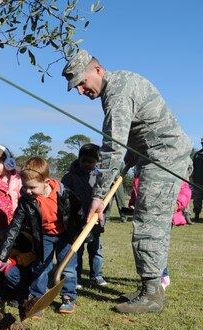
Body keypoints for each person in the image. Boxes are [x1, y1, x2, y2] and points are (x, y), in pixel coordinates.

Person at [63, 48, 192, 314]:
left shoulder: (117, 95)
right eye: (75, 86)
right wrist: (133, 154)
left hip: (163, 159)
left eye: (81, 82)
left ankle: (153, 295)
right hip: (155, 155)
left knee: (148, 220)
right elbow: (139, 130)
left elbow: (112, 147)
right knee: (152, 220)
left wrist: (98, 196)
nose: (79, 91)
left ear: (97, 71)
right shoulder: (120, 83)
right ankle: (149, 287)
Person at [0, 157, 84, 319]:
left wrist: (86, 234)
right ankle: (37, 299)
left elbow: (79, 213)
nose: (27, 191)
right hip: (44, 236)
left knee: (68, 267)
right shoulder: (26, 201)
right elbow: (14, 228)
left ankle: (68, 297)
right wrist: (2, 256)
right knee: (41, 267)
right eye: (25, 186)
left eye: (32, 187)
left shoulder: (64, 193)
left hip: (65, 235)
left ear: (46, 182)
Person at [129, 176, 192, 290]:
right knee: (145, 246)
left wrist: (177, 204)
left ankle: (163, 276)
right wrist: (133, 202)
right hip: (145, 215)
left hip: (164, 216)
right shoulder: (142, 173)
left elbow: (185, 191)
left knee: (157, 247)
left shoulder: (171, 170)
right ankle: (152, 276)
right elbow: (138, 190)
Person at [62, 143, 107, 287]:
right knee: (78, 251)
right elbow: (63, 198)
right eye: (84, 160)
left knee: (96, 251)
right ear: (79, 159)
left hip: (94, 221)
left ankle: (96, 276)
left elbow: (106, 199)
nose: (86, 164)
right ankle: (77, 277)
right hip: (77, 222)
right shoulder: (69, 177)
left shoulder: (101, 178)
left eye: (91, 161)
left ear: (97, 162)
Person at [192, 138, 203, 222]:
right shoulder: (197, 154)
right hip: (198, 182)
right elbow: (193, 168)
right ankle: (196, 216)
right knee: (197, 200)